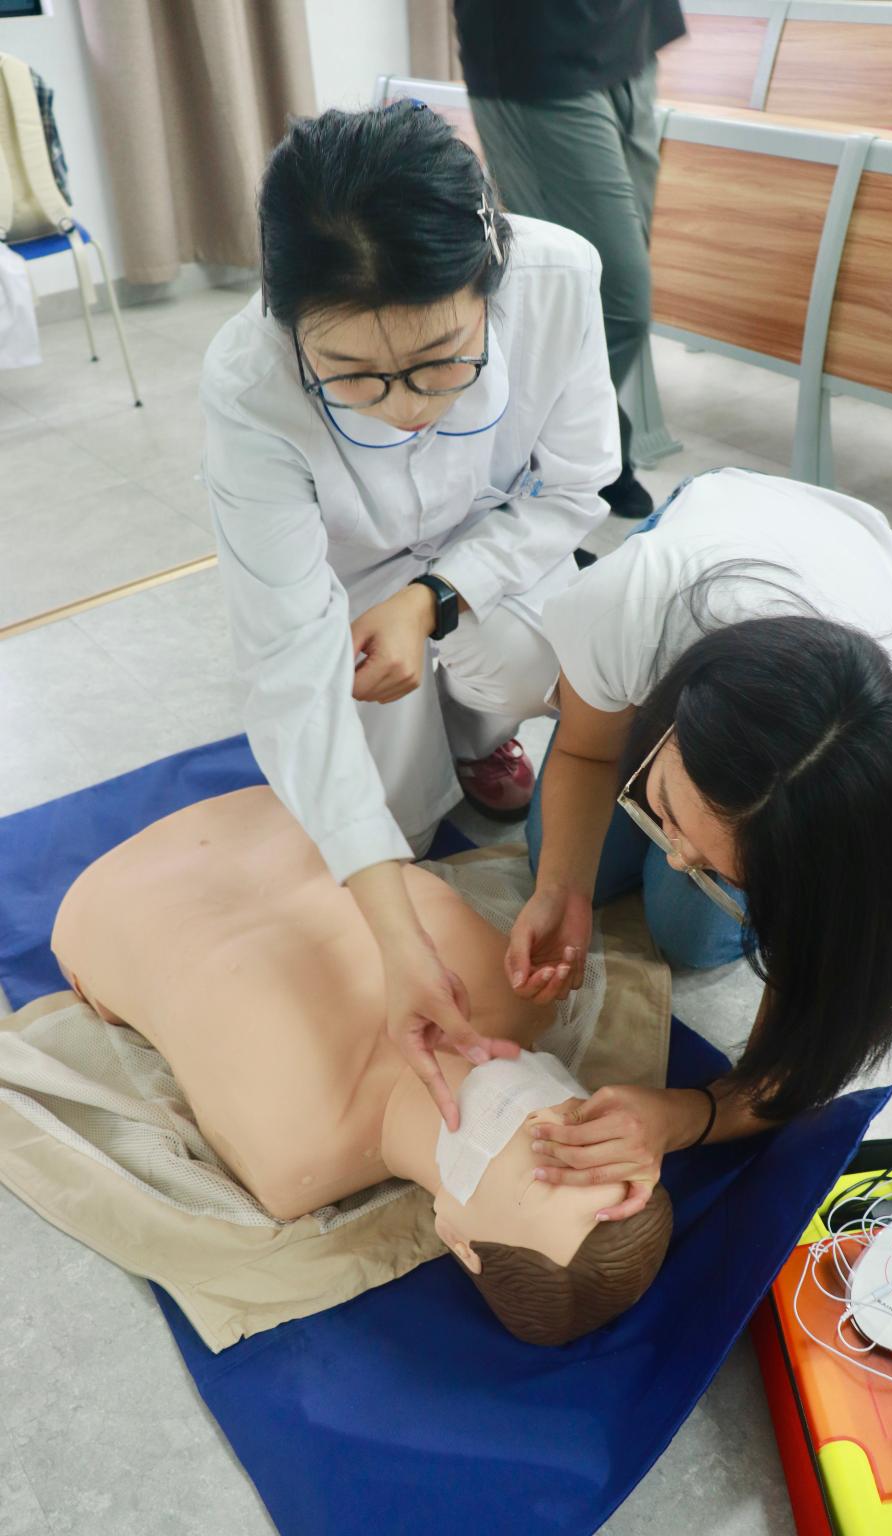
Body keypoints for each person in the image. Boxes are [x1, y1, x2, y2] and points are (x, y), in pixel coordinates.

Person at [200, 103, 619, 1126]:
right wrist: (395, 938)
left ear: (490, 277)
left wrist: (433, 598)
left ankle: (476, 736)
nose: (407, 405)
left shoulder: (558, 279)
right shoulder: (249, 384)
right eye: (352, 377)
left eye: (442, 359)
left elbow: (575, 491)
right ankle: (422, 771)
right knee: (384, 823)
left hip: (492, 548)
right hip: (344, 586)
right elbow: (286, 662)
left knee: (523, 664)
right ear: (288, 324)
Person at [50, 787, 672, 1347]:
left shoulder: (292, 1154)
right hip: (283, 789)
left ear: (459, 1241)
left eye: (549, 1176)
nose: (551, 1127)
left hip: (108, 893)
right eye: (593, 1142)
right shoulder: (522, 993)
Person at [507, 469, 892, 1215]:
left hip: (835, 570)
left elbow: (799, 1058)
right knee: (560, 856)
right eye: (668, 809)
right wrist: (560, 887)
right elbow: (588, 752)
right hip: (713, 535)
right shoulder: (632, 602)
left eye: (730, 871)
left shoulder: (868, 830)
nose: (676, 855)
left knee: (688, 932)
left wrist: (684, 1116)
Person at [455, 0, 685, 520]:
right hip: (538, 48)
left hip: (632, 38)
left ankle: (592, 447)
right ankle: (529, 477)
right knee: (618, 299)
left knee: (600, 293)